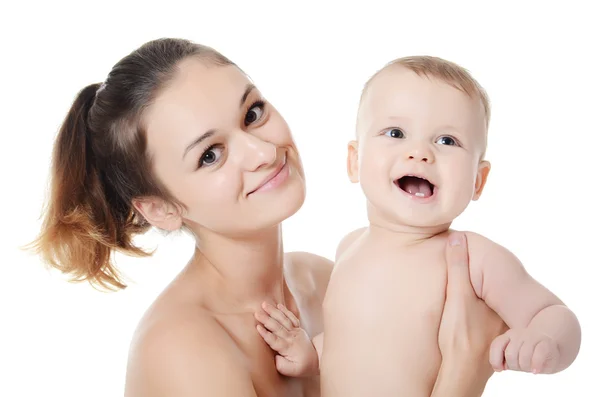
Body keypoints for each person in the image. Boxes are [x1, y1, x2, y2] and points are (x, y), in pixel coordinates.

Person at [30, 39, 506, 396]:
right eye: (211, 155)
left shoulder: (324, 279)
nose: (262, 151)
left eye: (253, 113)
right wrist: (464, 371)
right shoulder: (182, 350)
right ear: (160, 208)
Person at [255, 56, 582, 396]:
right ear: (354, 161)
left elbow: (554, 312)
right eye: (395, 133)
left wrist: (546, 341)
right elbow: (353, 343)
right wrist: (311, 354)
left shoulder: (471, 258)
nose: (420, 152)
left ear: (477, 181)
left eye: (447, 141)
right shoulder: (349, 248)